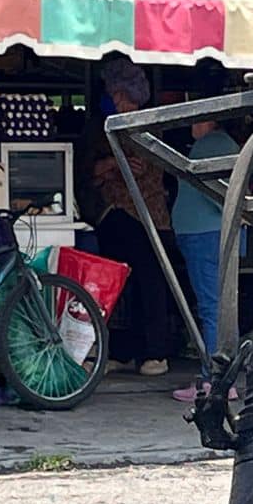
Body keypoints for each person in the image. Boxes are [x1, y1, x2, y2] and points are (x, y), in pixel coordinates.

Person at [76, 56, 175, 376]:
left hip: (147, 215)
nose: (117, 100)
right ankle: (121, 349)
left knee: (150, 283)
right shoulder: (108, 127)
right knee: (118, 285)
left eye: (122, 94)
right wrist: (110, 168)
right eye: (114, 94)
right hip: (113, 215)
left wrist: (110, 169)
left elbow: (142, 166)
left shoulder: (149, 125)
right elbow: (93, 170)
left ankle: (156, 352)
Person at [171, 118, 245, 403]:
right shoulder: (224, 145)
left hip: (205, 235)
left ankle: (214, 381)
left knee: (212, 307)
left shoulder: (211, 146)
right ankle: (223, 379)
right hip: (215, 233)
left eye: (197, 117)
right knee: (223, 306)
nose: (191, 124)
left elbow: (222, 193)